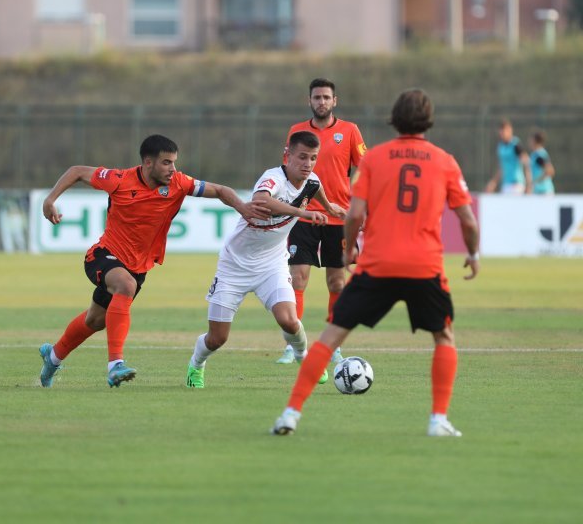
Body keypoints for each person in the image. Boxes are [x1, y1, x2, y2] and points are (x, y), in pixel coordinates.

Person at [271, 88, 480, 438]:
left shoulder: (376, 159)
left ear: (394, 118)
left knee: (332, 335)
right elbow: (468, 221)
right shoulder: (445, 161)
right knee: (443, 336)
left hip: (378, 264)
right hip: (424, 266)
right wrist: (472, 254)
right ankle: (438, 420)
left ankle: (291, 414)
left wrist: (351, 247)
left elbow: (354, 214)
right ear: (429, 120)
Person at [37, 134, 269, 388]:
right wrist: (50, 199)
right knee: (125, 286)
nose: (173, 169)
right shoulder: (119, 180)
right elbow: (77, 171)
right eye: (167, 163)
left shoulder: (179, 183)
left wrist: (243, 208)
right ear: (148, 163)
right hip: (103, 255)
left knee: (96, 320)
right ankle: (115, 366)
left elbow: (221, 191)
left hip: (138, 266)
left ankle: (53, 356)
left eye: (174, 162)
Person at [185, 131, 345, 388]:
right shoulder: (273, 178)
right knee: (217, 338)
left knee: (289, 321)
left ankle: (305, 358)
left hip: (272, 264)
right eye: (302, 157)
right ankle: (196, 364)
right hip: (233, 266)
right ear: (288, 155)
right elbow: (261, 200)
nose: (307, 164)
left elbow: (316, 189)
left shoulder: (312, 181)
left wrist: (328, 207)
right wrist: (301, 213)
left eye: (313, 158)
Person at [276, 78, 366, 380]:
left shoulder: (350, 131)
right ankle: (293, 344)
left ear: (335, 101)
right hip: (302, 214)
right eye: (317, 97)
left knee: (336, 283)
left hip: (337, 217)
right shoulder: (297, 131)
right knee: (298, 278)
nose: (322, 102)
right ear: (310, 100)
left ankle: (333, 344)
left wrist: (359, 205)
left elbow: (365, 169)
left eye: (327, 97)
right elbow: (286, 168)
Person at [484, 118, 532, 194]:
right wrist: (493, 182)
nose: (502, 133)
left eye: (504, 130)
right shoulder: (500, 147)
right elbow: (501, 168)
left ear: (510, 130)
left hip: (516, 184)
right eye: (501, 131)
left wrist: (529, 184)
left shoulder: (515, 145)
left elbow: (526, 162)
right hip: (506, 184)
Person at [528, 130, 555, 195]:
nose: (529, 142)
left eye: (531, 140)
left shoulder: (539, 155)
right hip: (538, 191)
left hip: (544, 192)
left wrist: (535, 181)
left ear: (534, 141)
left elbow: (550, 171)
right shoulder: (535, 154)